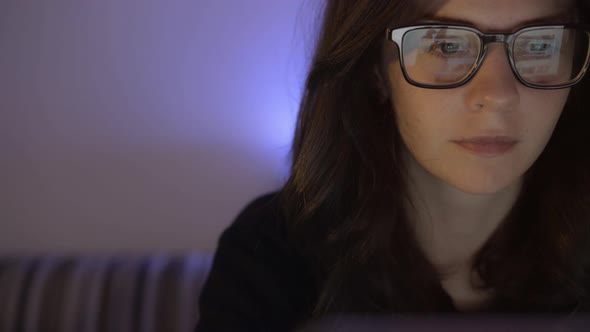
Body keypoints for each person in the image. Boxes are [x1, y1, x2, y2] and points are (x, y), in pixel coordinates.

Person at [195, 0, 590, 331]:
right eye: (446, 46)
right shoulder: (271, 253)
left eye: (540, 45)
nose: (498, 95)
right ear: (376, 70)